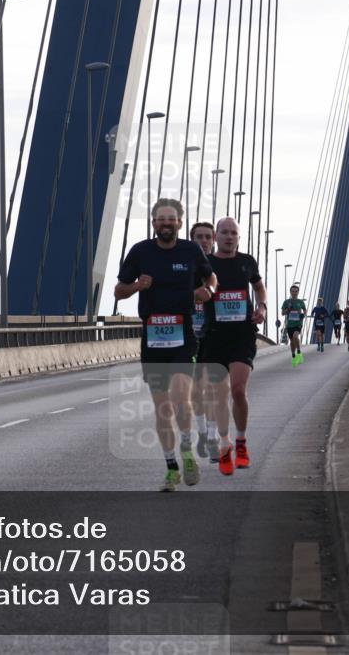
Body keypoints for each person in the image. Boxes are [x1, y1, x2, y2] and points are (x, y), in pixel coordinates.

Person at [115, 199, 217, 491]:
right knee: (163, 409)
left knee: (181, 400)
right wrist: (136, 286)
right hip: (152, 338)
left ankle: (187, 452)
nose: (166, 223)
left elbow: (211, 277)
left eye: (171, 219)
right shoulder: (140, 251)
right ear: (153, 223)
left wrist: (207, 290)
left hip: (182, 337)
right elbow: (119, 291)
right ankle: (172, 468)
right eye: (161, 219)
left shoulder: (190, 250)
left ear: (180, 223)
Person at [201, 217, 267, 476]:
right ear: (216, 237)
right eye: (224, 233)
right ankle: (224, 441)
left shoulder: (247, 262)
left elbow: (260, 288)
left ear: (239, 238)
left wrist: (262, 307)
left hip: (242, 334)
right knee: (219, 395)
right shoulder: (206, 264)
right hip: (214, 336)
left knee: (238, 391)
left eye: (234, 233)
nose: (229, 237)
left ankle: (240, 442)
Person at [189, 221, 217, 460]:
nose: (204, 241)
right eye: (199, 237)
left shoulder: (220, 267)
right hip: (189, 337)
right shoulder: (183, 267)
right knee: (196, 392)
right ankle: (203, 432)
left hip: (215, 337)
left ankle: (213, 436)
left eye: (208, 237)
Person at [281, 283, 306, 366]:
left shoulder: (300, 302)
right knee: (292, 341)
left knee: (295, 336)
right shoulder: (286, 302)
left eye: (296, 291)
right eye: (293, 291)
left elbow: (304, 310)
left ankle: (299, 352)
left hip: (298, 323)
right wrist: (288, 309)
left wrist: (304, 314)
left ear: (298, 292)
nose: (294, 293)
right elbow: (282, 313)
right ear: (290, 292)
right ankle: (293, 355)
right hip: (289, 325)